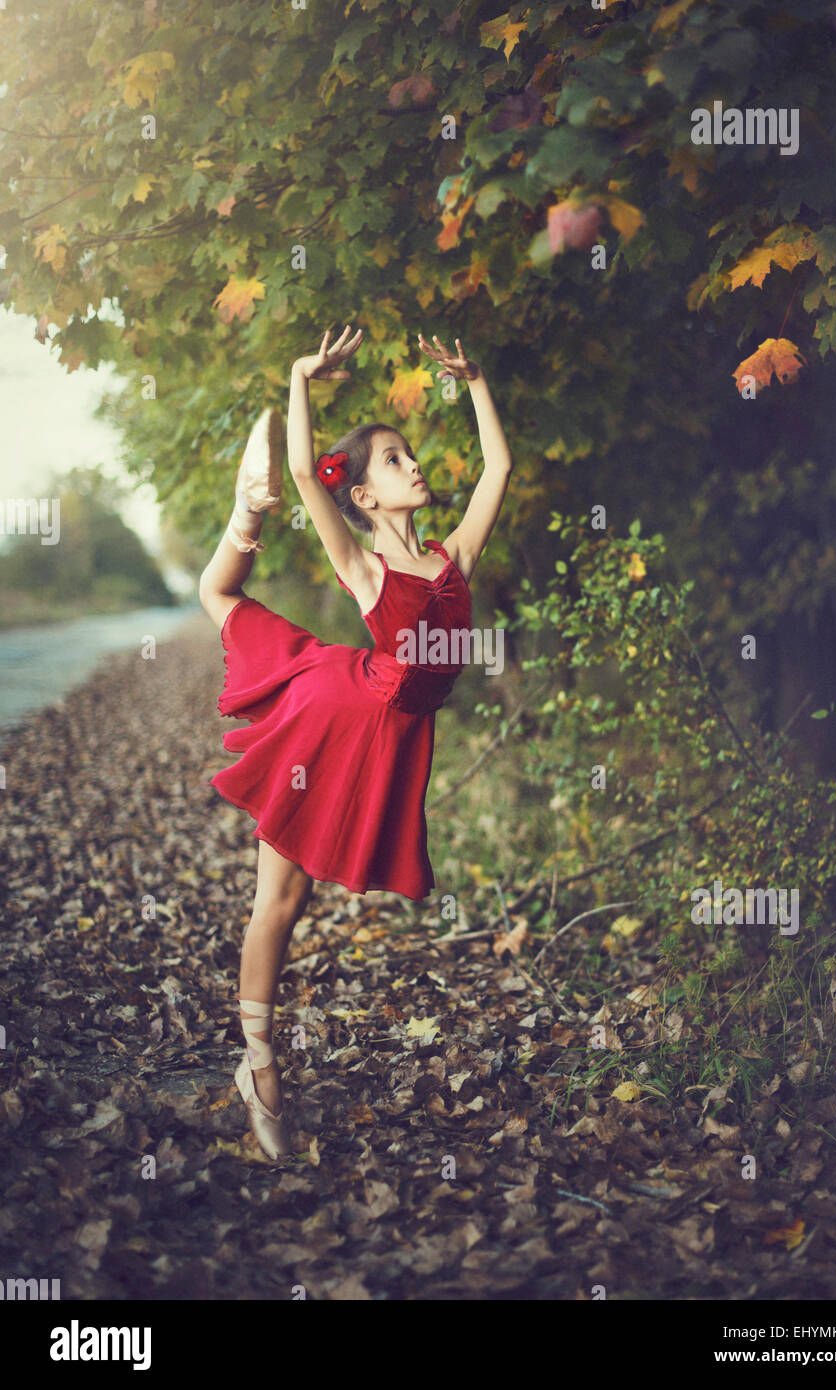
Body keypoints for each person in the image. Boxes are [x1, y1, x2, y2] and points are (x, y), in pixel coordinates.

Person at [198, 325, 514, 1160]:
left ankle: (242, 517)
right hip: (332, 718)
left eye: (408, 454)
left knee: (293, 903)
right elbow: (310, 472)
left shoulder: (453, 562)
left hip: (393, 737)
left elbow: (498, 471)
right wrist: (301, 376)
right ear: (366, 499)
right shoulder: (367, 568)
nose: (412, 465)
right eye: (391, 460)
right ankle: (258, 1066)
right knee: (282, 902)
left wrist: (474, 381)